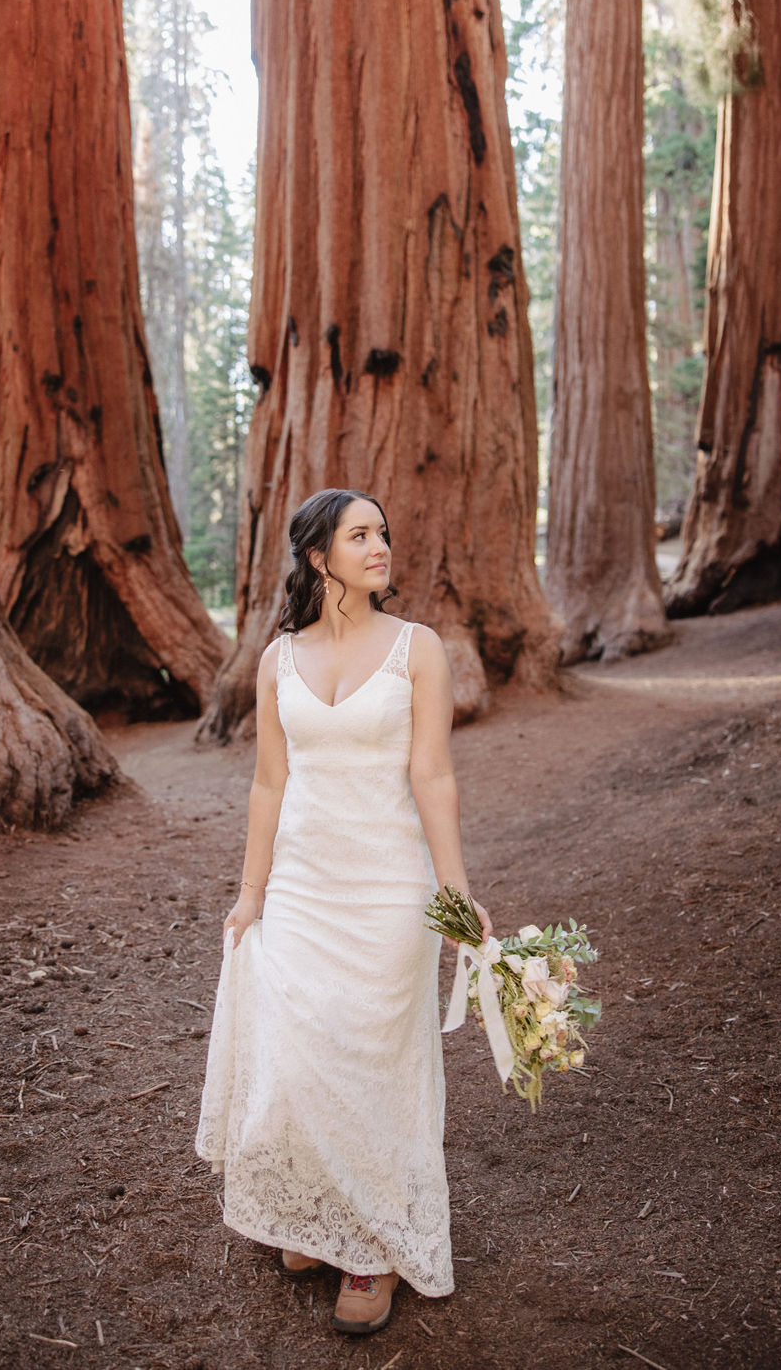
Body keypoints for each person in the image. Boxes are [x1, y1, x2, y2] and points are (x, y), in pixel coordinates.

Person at [195, 487, 491, 1335]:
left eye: (384, 533)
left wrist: (454, 888)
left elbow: (433, 775)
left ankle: (372, 1247)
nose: (381, 546)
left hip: (389, 886)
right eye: (361, 534)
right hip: (301, 884)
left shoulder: (417, 649)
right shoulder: (278, 660)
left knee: (374, 1053)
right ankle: (320, 1210)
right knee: (300, 1046)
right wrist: (251, 893)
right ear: (320, 557)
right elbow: (268, 784)